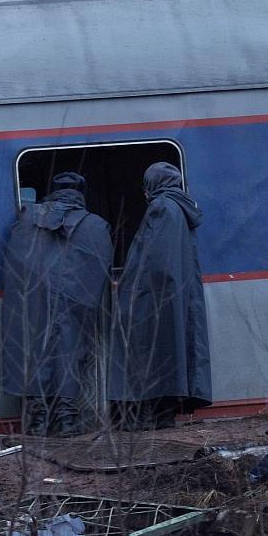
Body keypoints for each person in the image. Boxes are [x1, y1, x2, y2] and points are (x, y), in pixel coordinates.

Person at [1, 172, 113, 437]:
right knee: (71, 352)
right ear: (80, 194)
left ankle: (37, 421)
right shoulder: (95, 224)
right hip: (74, 301)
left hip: (33, 299)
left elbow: (15, 263)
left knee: (33, 350)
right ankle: (66, 420)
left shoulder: (27, 218)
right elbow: (99, 268)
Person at [108, 162, 212, 429]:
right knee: (171, 352)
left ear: (154, 185)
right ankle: (163, 414)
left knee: (147, 351)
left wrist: (128, 285)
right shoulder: (181, 208)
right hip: (175, 294)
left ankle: (148, 416)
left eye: (146, 186)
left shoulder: (162, 207)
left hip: (156, 296)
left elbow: (150, 256)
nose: (144, 193)